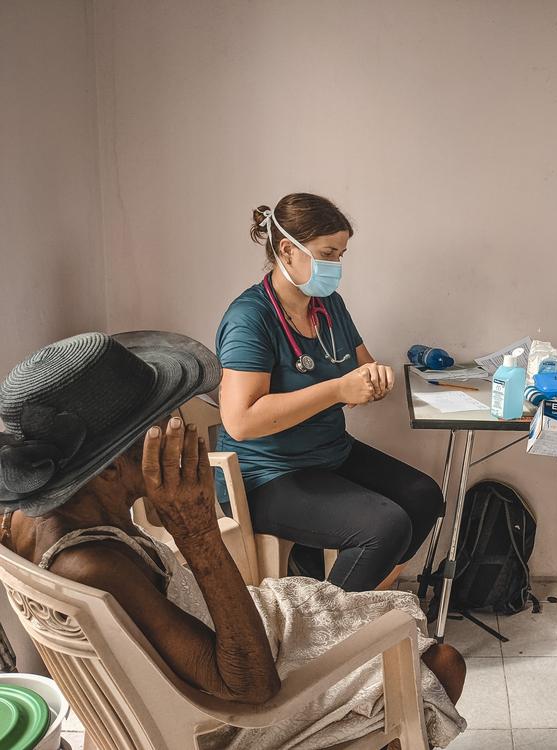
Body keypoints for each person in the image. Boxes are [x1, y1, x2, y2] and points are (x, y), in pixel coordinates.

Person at [0, 331, 467, 748]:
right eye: (157, 422)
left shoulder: (25, 518)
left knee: (366, 606)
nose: (175, 429)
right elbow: (251, 687)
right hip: (227, 709)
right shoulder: (95, 565)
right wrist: (197, 530)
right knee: (441, 663)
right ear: (108, 465)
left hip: (215, 640)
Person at [216, 193, 443, 592]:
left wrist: (374, 380)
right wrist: (338, 388)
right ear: (287, 250)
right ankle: (322, 631)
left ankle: (368, 603)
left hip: (328, 452)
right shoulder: (249, 319)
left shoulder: (329, 305)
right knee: (385, 526)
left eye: (340, 254)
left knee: (424, 497)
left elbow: (362, 367)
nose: (335, 265)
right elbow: (241, 421)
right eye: (327, 253)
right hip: (267, 473)